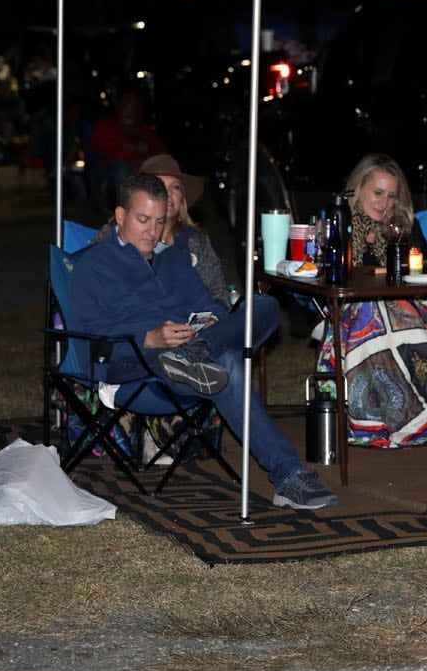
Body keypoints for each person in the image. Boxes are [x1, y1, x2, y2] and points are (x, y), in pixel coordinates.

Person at [69, 173, 337, 510]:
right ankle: (288, 475)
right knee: (227, 364)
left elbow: (209, 304)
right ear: (120, 216)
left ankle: (197, 351)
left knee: (263, 306)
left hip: (191, 362)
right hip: (136, 372)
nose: (152, 231)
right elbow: (88, 350)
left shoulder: (173, 259)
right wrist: (149, 338)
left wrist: (210, 320)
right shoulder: (92, 266)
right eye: (142, 220)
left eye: (159, 221)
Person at [91, 152, 233, 309]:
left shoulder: (195, 242)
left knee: (259, 306)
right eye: (160, 187)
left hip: (195, 324)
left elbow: (219, 294)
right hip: (138, 322)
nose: (169, 194)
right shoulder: (117, 233)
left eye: (176, 188)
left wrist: (213, 317)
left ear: (182, 199)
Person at [344, 153, 427, 267]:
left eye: (391, 196)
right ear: (358, 189)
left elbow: (425, 269)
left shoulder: (406, 228)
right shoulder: (341, 226)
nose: (384, 203)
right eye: (378, 193)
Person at [88, 89, 163, 210]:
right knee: (122, 170)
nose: (130, 109)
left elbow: (158, 149)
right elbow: (97, 146)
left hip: (140, 166)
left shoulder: (144, 128)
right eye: (127, 105)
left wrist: (147, 148)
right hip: (112, 167)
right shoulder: (106, 125)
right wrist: (120, 147)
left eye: (134, 105)